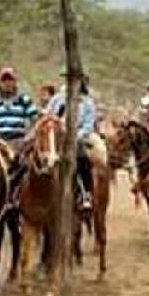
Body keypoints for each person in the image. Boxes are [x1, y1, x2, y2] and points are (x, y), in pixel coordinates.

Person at [47, 79, 102, 211]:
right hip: (57, 134)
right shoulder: (57, 99)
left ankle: (86, 193)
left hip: (78, 137)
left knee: (82, 158)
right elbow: (49, 115)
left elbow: (88, 124)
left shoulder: (87, 102)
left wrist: (76, 136)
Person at [0, 66, 38, 156]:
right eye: (4, 80)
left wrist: (29, 137)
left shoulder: (24, 99)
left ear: (15, 82)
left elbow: (35, 121)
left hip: (19, 142)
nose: (7, 83)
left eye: (10, 80)